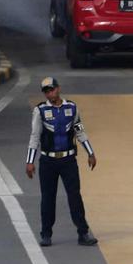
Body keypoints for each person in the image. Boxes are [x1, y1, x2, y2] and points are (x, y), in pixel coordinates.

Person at [26, 77, 97, 248]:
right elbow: (35, 137)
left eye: (52, 89)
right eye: (46, 91)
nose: (50, 93)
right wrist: (30, 161)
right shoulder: (40, 111)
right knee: (48, 198)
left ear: (58, 89)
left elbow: (80, 131)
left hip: (68, 160)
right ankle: (46, 234)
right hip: (48, 161)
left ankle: (83, 233)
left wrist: (90, 152)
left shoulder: (71, 108)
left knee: (75, 196)